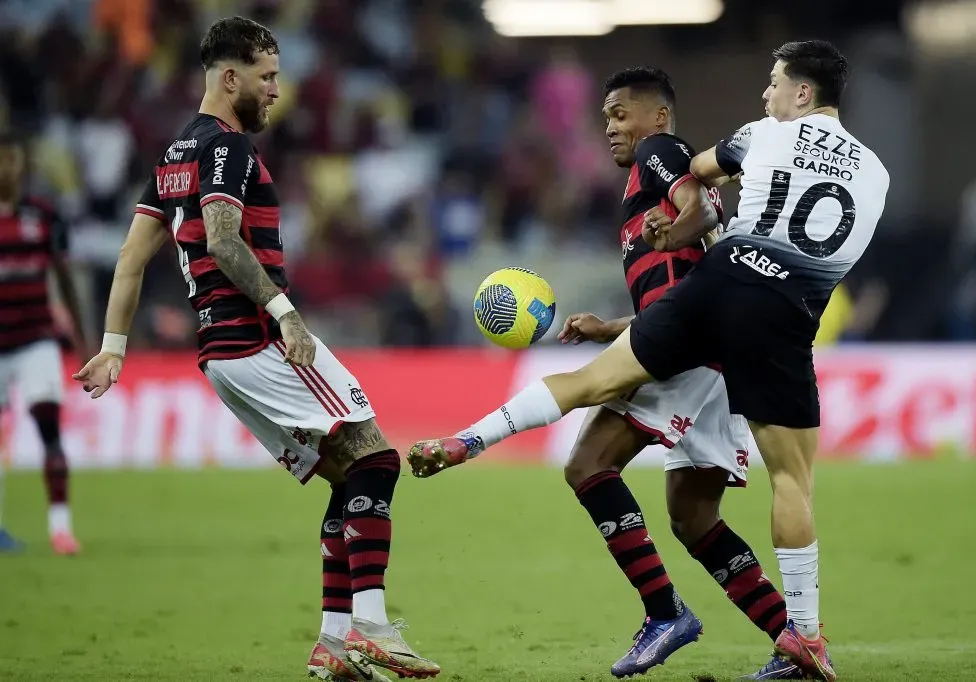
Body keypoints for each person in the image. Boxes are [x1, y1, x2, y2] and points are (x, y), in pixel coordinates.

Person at [411, 40, 889, 681]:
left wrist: (690, 220)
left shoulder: (696, 146)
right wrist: (620, 320)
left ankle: (472, 445)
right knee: (710, 512)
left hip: (712, 308)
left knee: (586, 449)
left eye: (774, 84)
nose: (765, 95)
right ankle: (797, 638)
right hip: (774, 322)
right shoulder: (877, 173)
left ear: (802, 93)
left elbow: (695, 177)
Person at [71, 17, 439, 682]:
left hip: (220, 353)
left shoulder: (174, 153)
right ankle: (373, 626)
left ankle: (333, 644)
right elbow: (222, 239)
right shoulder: (226, 150)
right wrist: (284, 312)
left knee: (346, 475)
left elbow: (131, 257)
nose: (277, 90)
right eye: (267, 77)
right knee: (378, 459)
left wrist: (114, 347)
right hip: (258, 337)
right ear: (229, 77)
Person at [0, 132, 90, 555]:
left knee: (49, 429)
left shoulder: (43, 216)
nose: (9, 170)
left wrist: (85, 340)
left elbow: (65, 278)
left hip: (37, 339)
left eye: (14, 161)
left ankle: (60, 529)